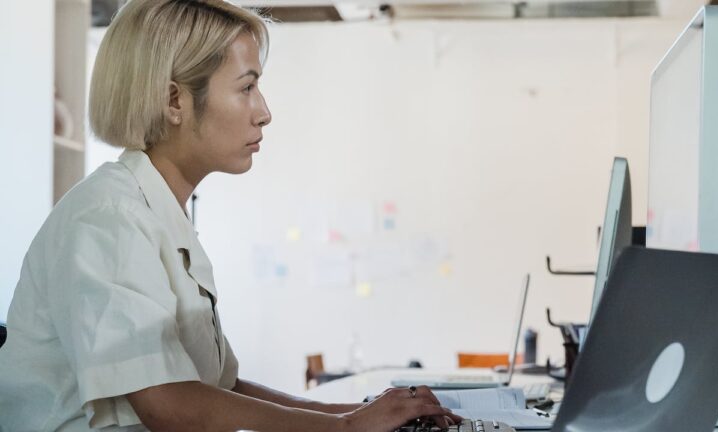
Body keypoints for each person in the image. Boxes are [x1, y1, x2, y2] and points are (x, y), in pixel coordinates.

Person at [0, 1, 462, 431]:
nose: (264, 112)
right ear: (174, 101)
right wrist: (343, 428)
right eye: (246, 87)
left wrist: (352, 413)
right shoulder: (110, 217)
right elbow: (168, 404)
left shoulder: (159, 213)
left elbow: (221, 388)